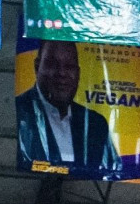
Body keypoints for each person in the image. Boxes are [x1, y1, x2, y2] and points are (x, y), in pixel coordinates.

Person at [16, 40, 119, 174]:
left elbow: (112, 171)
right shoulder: (18, 113)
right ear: (37, 67)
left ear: (78, 73)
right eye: (53, 64)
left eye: (69, 66)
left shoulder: (96, 124)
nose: (62, 73)